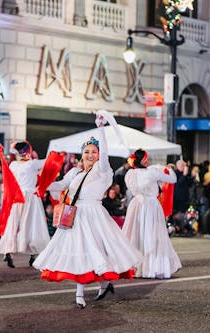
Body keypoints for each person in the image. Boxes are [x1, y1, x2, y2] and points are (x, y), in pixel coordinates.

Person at [33, 110, 142, 309]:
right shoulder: (75, 172)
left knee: (97, 251)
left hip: (94, 214)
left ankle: (100, 284)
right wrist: (41, 186)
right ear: (81, 155)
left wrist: (101, 130)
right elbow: (61, 185)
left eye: (94, 151)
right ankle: (82, 292)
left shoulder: (104, 171)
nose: (90, 154)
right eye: (87, 152)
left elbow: (105, 154)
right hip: (75, 216)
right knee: (80, 252)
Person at [122, 149, 181, 279]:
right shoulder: (153, 172)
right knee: (153, 235)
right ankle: (152, 267)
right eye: (145, 158)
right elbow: (173, 179)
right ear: (142, 160)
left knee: (136, 235)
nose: (147, 160)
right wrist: (169, 168)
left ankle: (134, 266)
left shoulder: (130, 174)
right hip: (151, 206)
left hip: (136, 204)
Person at [0, 140, 50, 268]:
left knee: (14, 223)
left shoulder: (13, 165)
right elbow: (49, 161)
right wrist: (55, 150)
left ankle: (9, 251)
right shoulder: (32, 164)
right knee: (33, 224)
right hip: (30, 196)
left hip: (17, 196)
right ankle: (33, 254)